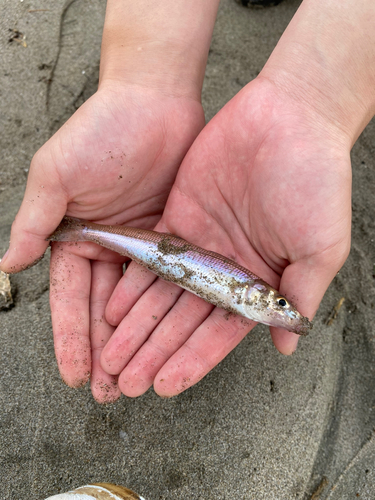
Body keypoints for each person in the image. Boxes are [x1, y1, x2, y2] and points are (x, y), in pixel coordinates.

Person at [1, 0, 374, 403]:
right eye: (279, 304)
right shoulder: (247, 291)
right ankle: (83, 229)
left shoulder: (246, 294)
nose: (282, 309)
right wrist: (143, 81)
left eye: (281, 306)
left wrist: (319, 106)